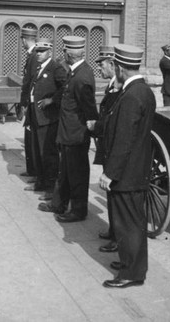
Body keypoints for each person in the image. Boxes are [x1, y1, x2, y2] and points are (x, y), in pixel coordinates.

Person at [100, 44, 156, 289]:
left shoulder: (131, 95)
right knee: (131, 221)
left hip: (127, 173)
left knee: (129, 224)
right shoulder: (143, 91)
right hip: (135, 170)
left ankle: (132, 273)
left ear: (120, 68)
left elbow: (124, 139)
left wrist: (109, 173)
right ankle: (129, 263)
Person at [39, 35, 99, 222]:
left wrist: (91, 130)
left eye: (64, 51)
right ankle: (59, 203)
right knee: (65, 171)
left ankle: (79, 210)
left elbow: (89, 109)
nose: (62, 53)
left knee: (77, 173)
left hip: (76, 134)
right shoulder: (75, 71)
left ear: (69, 54)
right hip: (68, 132)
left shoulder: (82, 76)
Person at [86, 45, 121, 252]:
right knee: (110, 194)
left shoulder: (119, 88)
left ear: (113, 65)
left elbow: (112, 120)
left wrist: (96, 126)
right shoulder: (112, 84)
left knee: (115, 194)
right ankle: (113, 230)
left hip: (113, 146)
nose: (100, 69)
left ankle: (117, 238)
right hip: (107, 144)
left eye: (103, 65)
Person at [24, 39, 67, 199]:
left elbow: (65, 87)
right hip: (36, 115)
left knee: (48, 154)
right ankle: (40, 182)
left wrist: (52, 100)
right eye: (37, 51)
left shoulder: (56, 68)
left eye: (41, 51)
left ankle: (50, 189)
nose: (38, 54)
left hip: (48, 118)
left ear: (49, 52)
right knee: (37, 151)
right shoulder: (39, 68)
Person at [19, 26, 38, 178]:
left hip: (31, 102)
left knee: (31, 137)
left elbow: (29, 81)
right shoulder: (32, 55)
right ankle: (31, 169)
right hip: (30, 101)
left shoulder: (33, 56)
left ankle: (33, 170)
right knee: (29, 136)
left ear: (25, 40)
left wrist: (24, 103)